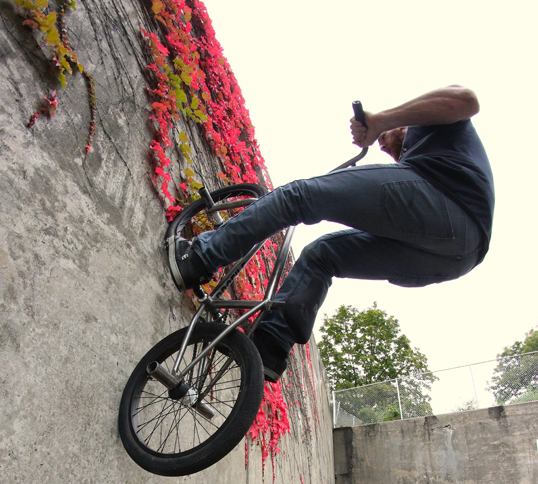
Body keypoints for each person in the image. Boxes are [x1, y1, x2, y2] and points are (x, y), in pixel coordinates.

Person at [171, 86, 494, 382]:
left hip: (451, 207)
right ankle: (270, 345)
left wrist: (381, 120)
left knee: (299, 197)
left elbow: (467, 100)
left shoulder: (433, 121)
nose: (383, 144)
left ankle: (199, 257)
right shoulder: (428, 157)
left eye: (387, 138)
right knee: (322, 256)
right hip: (457, 259)